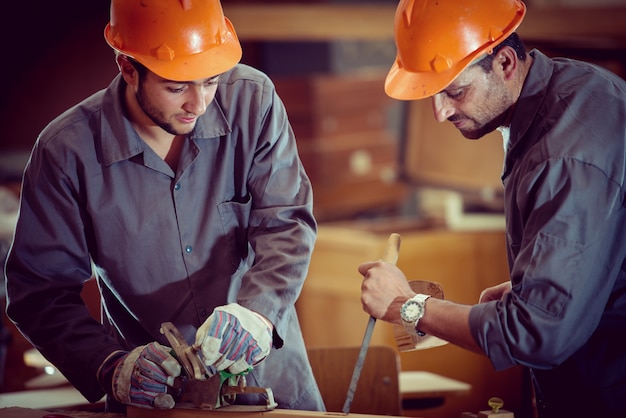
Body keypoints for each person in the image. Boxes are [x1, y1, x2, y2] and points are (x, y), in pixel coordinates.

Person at [4, 0, 324, 413]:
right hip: (155, 398)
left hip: (272, 382)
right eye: (177, 87)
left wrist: (259, 314)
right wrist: (110, 367)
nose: (200, 103)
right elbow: (40, 294)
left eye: (210, 81)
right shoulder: (66, 151)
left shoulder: (253, 101)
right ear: (128, 67)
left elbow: (286, 222)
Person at [358, 0, 626, 417]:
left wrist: (407, 306)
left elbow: (538, 333)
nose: (440, 112)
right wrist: (539, 283)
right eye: (433, 94)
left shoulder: (563, 154)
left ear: (503, 62)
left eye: (456, 91)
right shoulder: (569, 92)